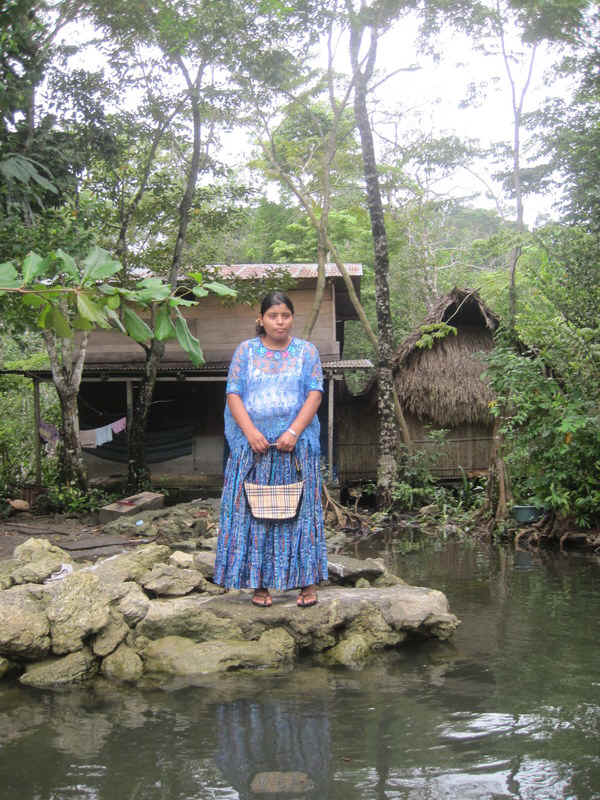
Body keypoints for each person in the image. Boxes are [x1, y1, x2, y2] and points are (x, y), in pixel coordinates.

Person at [214, 291, 327, 607]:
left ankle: (307, 584)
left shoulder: (307, 352)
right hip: (253, 449)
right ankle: (259, 586)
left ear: (292, 318)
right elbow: (233, 394)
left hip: (296, 448)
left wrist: (293, 431)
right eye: (273, 316)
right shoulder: (245, 352)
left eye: (286, 315)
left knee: (300, 515)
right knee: (252, 515)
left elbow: (315, 394)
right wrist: (250, 433)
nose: (280, 321)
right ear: (261, 320)